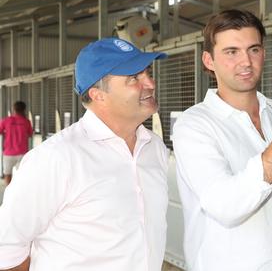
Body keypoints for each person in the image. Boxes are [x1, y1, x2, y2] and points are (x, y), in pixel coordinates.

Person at [0, 38, 168, 271]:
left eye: (148, 73)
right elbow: (7, 250)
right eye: (134, 78)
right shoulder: (57, 157)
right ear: (98, 94)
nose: (150, 83)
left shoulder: (154, 148)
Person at [172, 10, 272, 270]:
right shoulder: (194, 125)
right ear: (209, 60)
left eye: (253, 50)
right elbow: (226, 205)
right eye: (231, 52)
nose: (246, 62)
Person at [0, 101, 33, 186]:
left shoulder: (6, 120)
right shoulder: (26, 121)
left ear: (13, 109)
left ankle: (9, 191)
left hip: (8, 153)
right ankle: (19, 192)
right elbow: (30, 134)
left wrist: (6, 132)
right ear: (24, 109)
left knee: (7, 174)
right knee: (22, 175)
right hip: (22, 153)